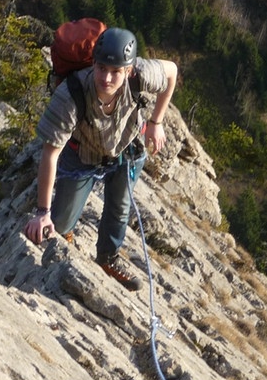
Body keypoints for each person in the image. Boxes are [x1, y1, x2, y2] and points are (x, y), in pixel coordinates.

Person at [24, 27, 178, 291]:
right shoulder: (71, 94)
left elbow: (172, 71)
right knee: (58, 226)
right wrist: (42, 213)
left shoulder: (141, 75)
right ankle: (67, 228)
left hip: (125, 149)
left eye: (116, 71)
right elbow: (51, 153)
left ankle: (108, 258)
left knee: (119, 208)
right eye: (101, 68)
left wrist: (157, 121)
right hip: (82, 154)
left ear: (129, 70)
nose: (107, 78)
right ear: (93, 64)